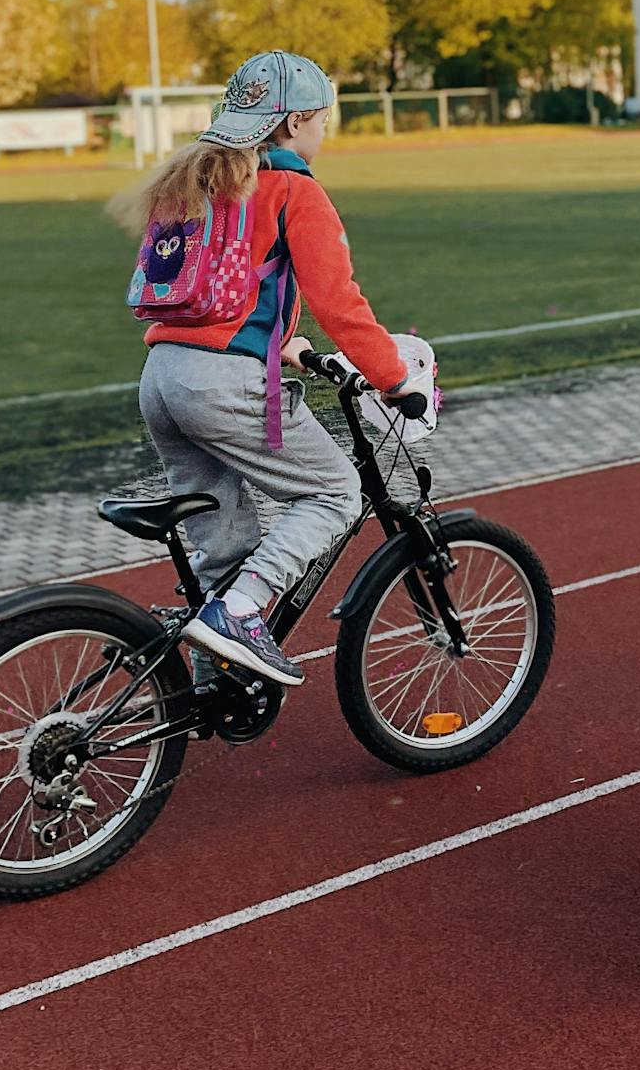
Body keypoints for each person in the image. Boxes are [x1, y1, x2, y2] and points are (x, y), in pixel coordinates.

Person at [121, 51, 430, 691]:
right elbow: (340, 304)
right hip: (223, 386)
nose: (323, 135)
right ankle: (239, 613)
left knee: (222, 538)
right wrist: (394, 378)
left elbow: (219, 290)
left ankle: (211, 682)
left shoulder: (198, 182)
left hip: (162, 376)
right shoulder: (294, 188)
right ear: (292, 124)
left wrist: (281, 343)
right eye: (321, 121)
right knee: (336, 493)